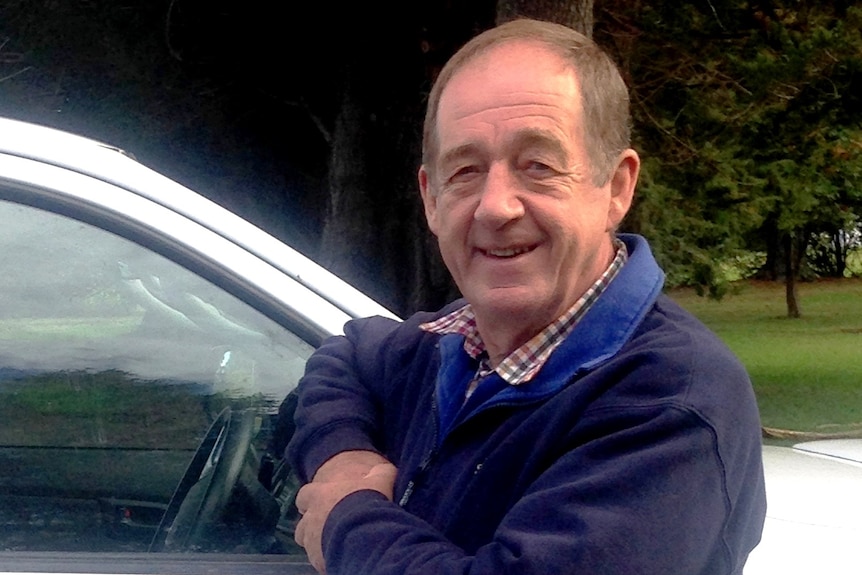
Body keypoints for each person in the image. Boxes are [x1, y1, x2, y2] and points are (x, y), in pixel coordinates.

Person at [286, 18, 766, 575]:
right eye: (465, 170)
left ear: (616, 187)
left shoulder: (669, 405)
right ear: (431, 199)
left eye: (537, 166)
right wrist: (345, 460)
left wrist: (347, 519)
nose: (495, 207)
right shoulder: (448, 346)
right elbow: (343, 358)